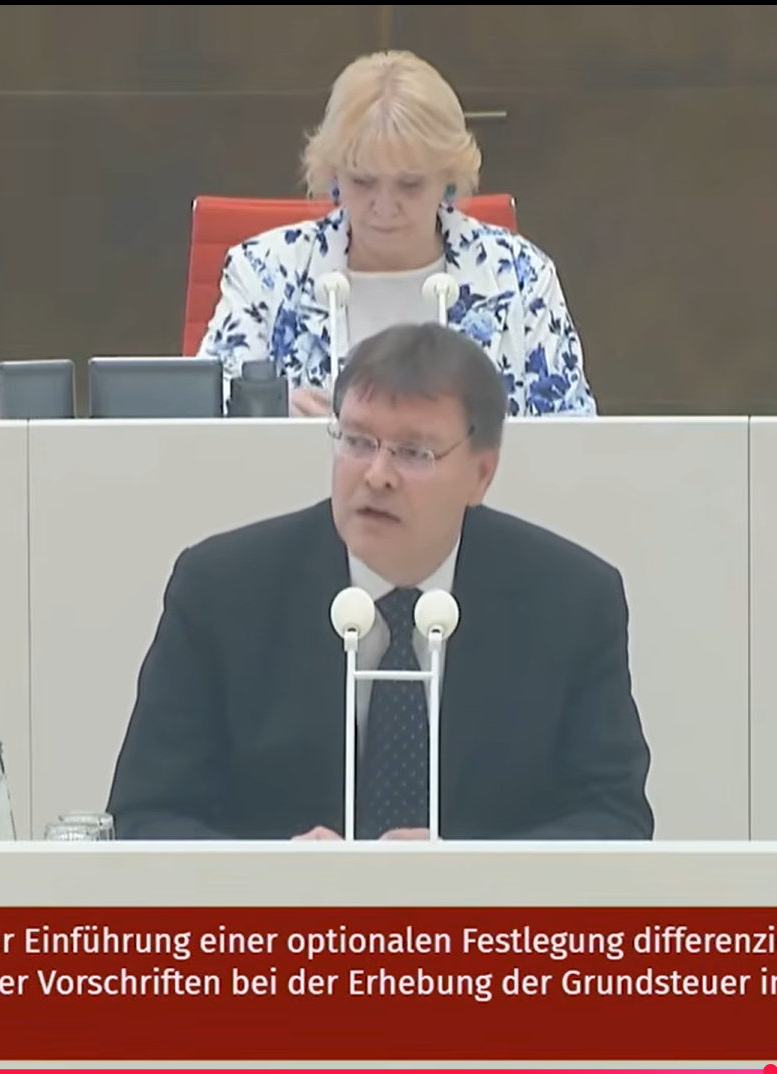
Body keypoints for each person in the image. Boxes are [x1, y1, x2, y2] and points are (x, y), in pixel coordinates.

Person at [106, 322, 652, 841]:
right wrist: (279, 870)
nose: (377, 475)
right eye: (358, 442)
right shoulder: (223, 590)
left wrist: (464, 869)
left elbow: (615, 818)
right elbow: (146, 816)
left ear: (481, 473)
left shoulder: (571, 601)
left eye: (414, 452)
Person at [195, 50, 597, 419]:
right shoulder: (263, 270)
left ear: (449, 178)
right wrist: (267, 413)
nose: (384, 207)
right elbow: (201, 417)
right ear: (333, 174)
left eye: (410, 184)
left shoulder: (521, 276)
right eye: (362, 181)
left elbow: (573, 434)